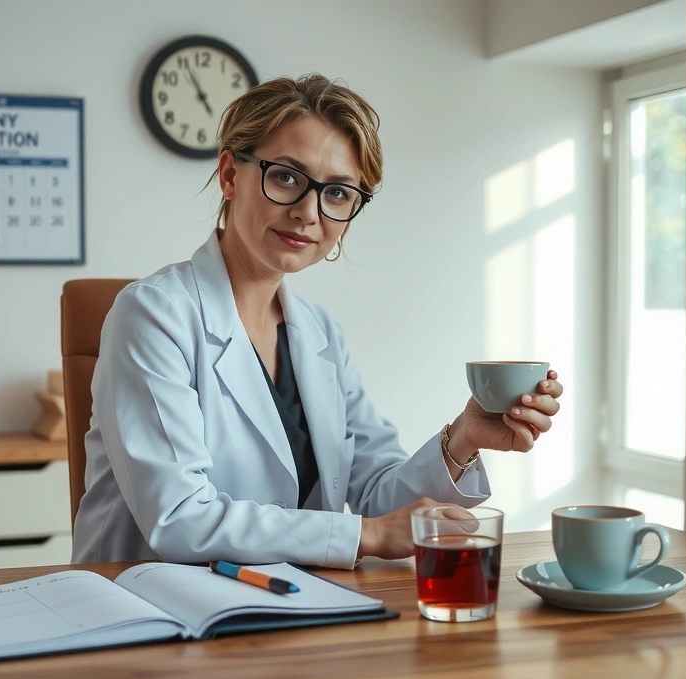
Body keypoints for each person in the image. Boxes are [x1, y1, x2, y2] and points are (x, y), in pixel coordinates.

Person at [71, 74, 562, 569]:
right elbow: (179, 518)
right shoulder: (154, 315)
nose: (309, 212)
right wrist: (365, 536)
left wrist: (464, 438)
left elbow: (378, 499)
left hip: (291, 609)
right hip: (152, 615)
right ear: (229, 175)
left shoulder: (319, 333)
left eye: (338, 194)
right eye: (285, 177)